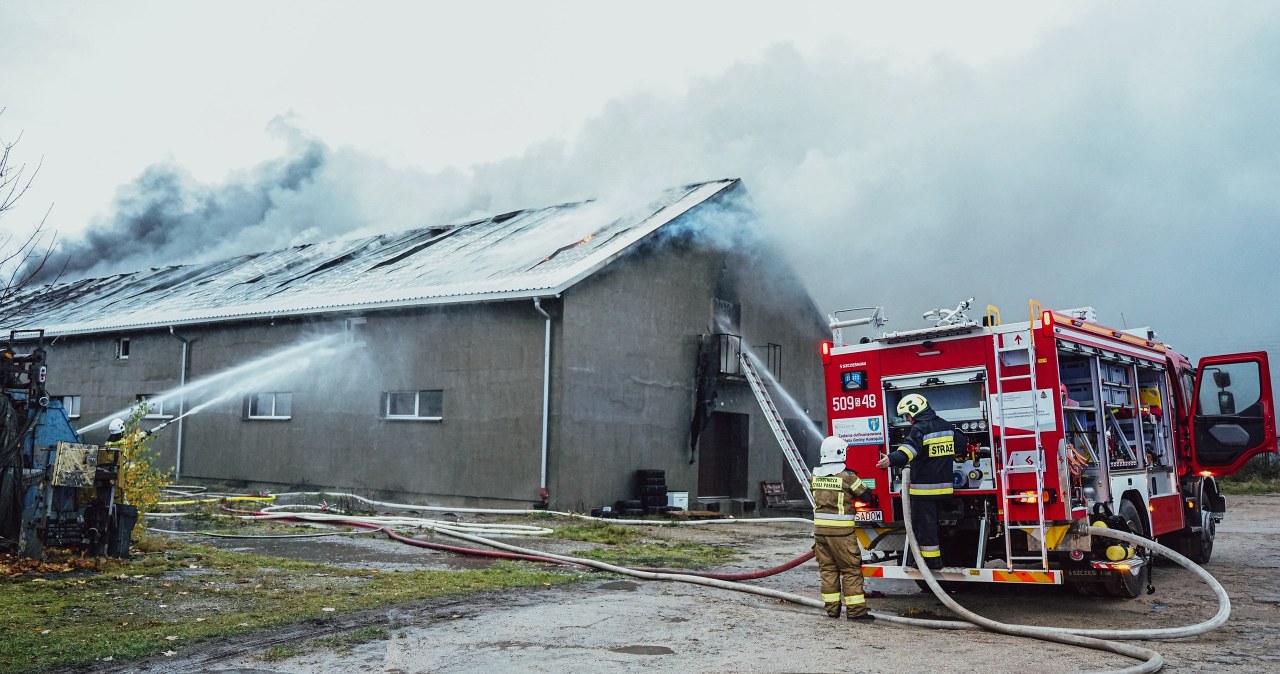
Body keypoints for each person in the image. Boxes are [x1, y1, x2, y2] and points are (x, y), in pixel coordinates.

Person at [875, 393, 956, 570]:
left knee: (924, 529)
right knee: (936, 527)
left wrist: (890, 459)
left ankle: (929, 562)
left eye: (907, 416)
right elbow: (961, 445)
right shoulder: (946, 426)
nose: (908, 420)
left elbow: (909, 450)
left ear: (914, 411)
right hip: (945, 490)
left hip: (924, 491)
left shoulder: (920, 429)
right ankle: (930, 559)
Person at [811, 435, 874, 621]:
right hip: (842, 534)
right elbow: (866, 495)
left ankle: (832, 611)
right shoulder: (848, 476)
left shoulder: (814, 475)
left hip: (820, 533)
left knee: (828, 570)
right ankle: (856, 613)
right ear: (841, 453)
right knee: (850, 570)